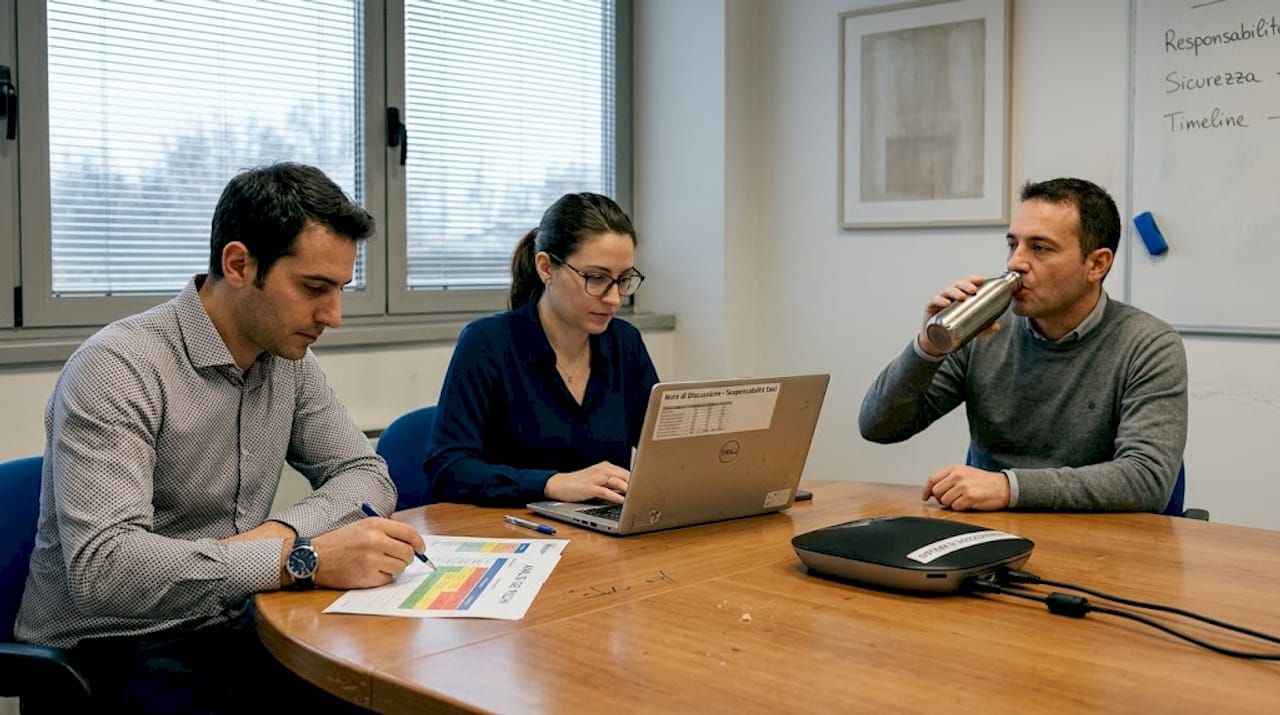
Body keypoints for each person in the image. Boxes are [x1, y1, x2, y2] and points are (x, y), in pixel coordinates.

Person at [16, 162, 425, 713]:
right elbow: (104, 569)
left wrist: (280, 540)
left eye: (340, 289)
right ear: (239, 265)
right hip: (111, 648)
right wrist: (297, 560)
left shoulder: (287, 360)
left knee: (387, 693)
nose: (334, 315)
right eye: (314, 288)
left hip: (238, 619)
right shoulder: (117, 367)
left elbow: (363, 472)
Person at [858, 177, 1188, 513]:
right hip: (991, 536)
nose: (1015, 262)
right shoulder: (984, 330)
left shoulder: (1149, 344)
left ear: (1096, 264)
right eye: (1013, 244)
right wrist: (927, 347)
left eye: (1040, 248)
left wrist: (1008, 487)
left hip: (1104, 547)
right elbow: (878, 427)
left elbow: (1147, 478)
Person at [424, 192, 659, 506]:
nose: (615, 298)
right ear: (546, 267)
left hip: (607, 533)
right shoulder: (487, 343)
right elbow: (448, 470)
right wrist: (551, 484)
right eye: (597, 278)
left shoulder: (625, 343)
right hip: (516, 534)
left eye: (624, 279)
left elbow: (660, 451)